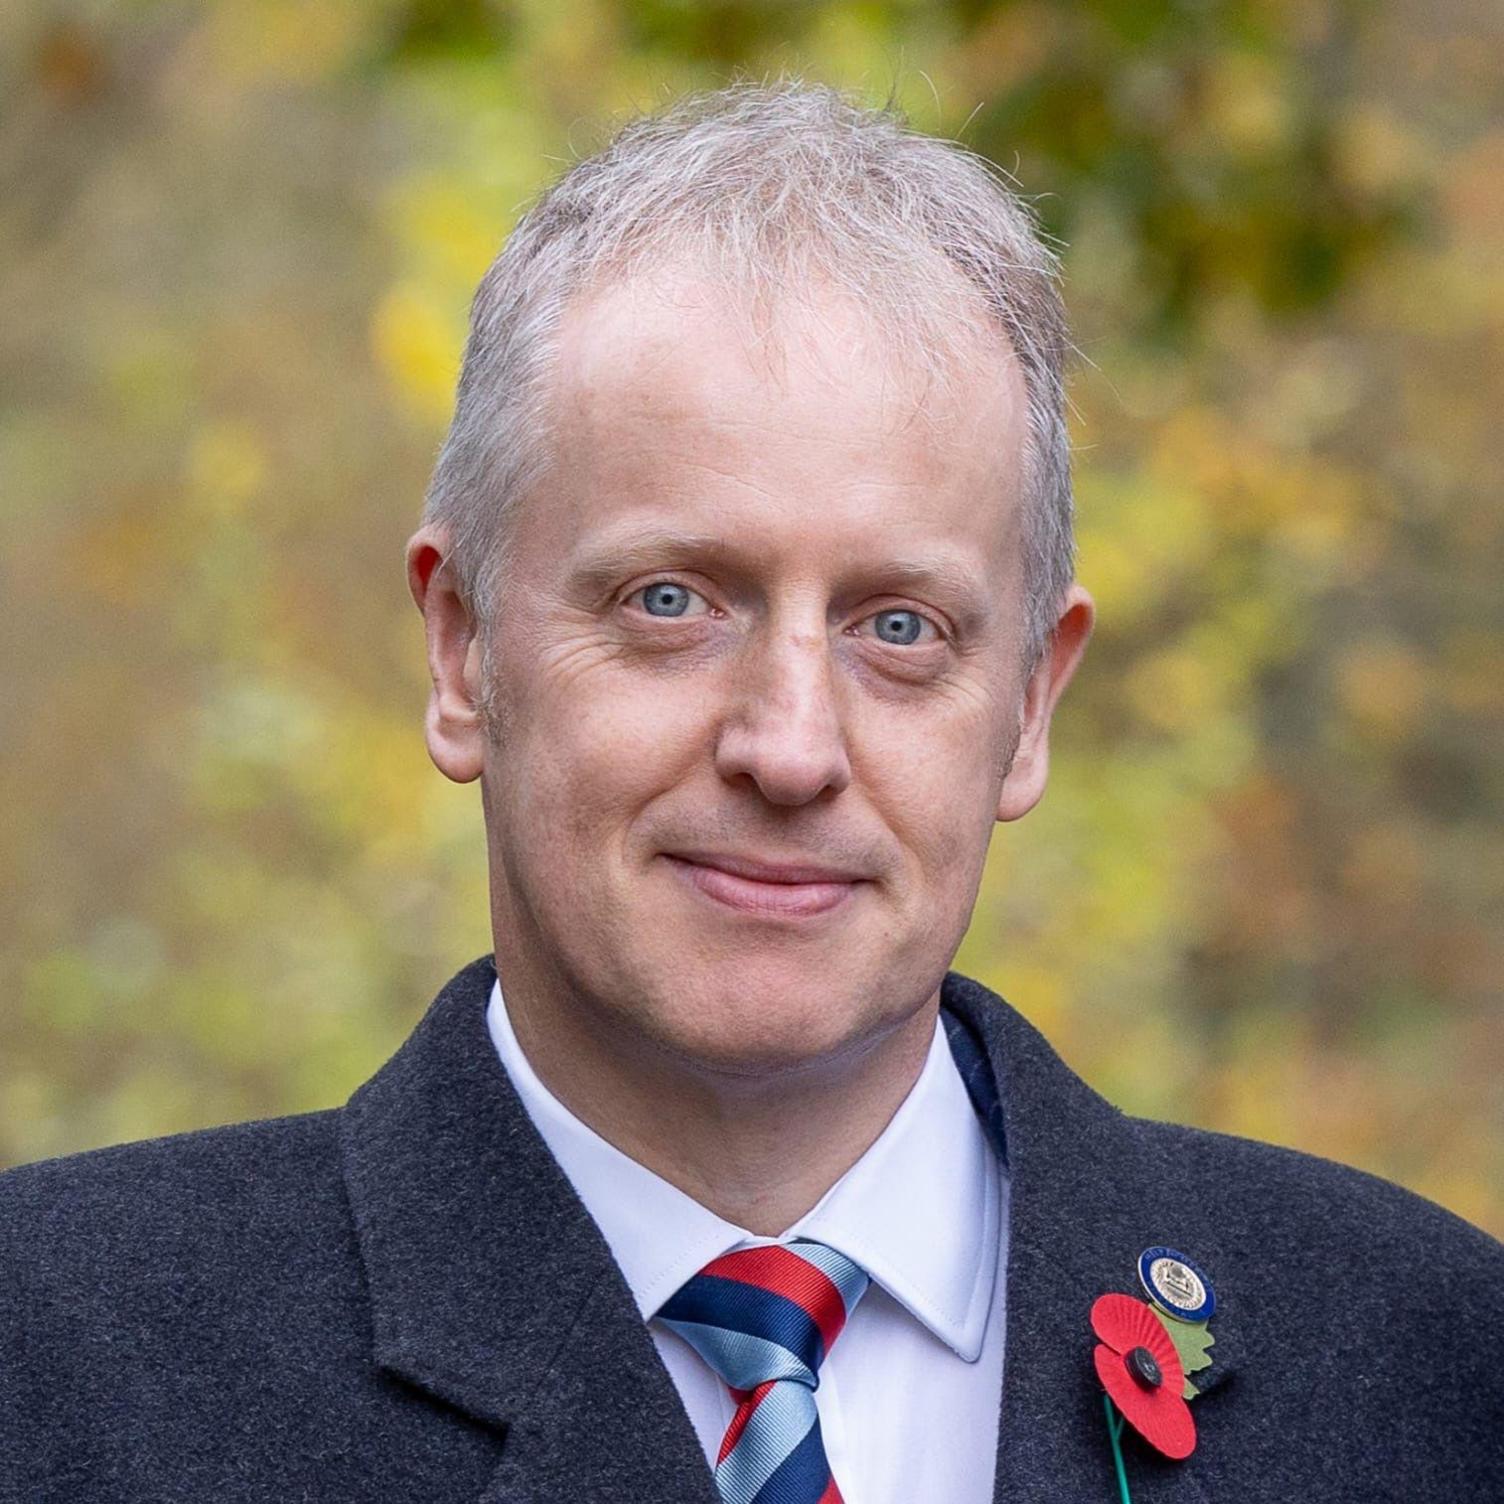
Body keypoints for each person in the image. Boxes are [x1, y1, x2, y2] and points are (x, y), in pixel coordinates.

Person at [1, 82, 1500, 1504]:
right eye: (672, 601)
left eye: (898, 628)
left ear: (1032, 704)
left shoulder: (1432, 1372)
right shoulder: (58, 1370)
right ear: (463, 650)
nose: (790, 748)